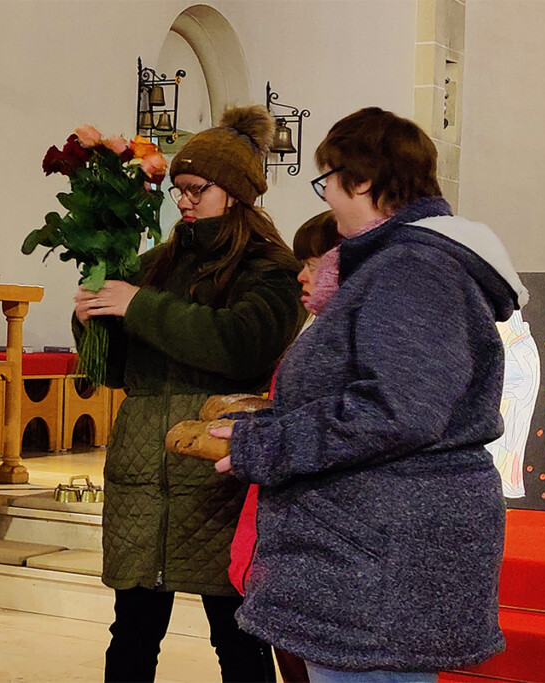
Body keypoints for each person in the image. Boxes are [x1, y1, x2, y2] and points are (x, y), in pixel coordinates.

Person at [212, 107, 528, 682]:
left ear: (360, 180)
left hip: (378, 560)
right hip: (371, 551)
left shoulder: (414, 268)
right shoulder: (405, 263)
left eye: (326, 181)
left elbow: (397, 410)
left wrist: (268, 445)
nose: (326, 198)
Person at [74, 105, 307, 682]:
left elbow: (241, 346)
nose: (183, 200)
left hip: (217, 471)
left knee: (236, 632)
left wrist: (138, 305)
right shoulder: (157, 263)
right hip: (144, 471)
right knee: (132, 628)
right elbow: (122, 369)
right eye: (178, 189)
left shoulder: (271, 267)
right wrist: (91, 322)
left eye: (197, 189)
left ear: (235, 191)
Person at [226, 210, 341, 683]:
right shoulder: (319, 337)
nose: (301, 273)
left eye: (314, 262)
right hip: (281, 536)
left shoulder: (354, 341)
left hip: (315, 548)